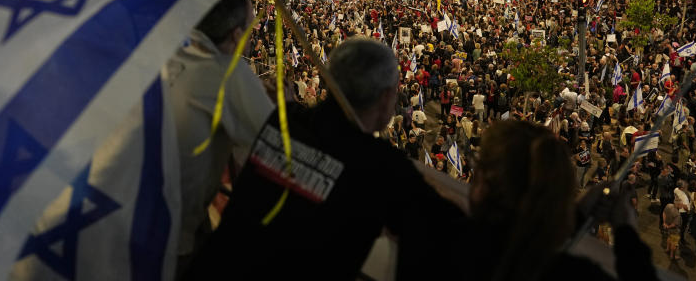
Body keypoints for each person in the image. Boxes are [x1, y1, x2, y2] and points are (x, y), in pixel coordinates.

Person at [185, 37, 465, 279]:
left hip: (210, 268)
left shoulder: (283, 119)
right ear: (385, 97)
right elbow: (456, 231)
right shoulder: (381, 167)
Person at [467, 120, 657, 280]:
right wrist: (626, 231)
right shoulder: (570, 273)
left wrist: (579, 214)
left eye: (479, 165)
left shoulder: (458, 242)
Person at [167, 0, 274, 268]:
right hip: (167, 240)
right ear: (237, 35)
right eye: (252, 24)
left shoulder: (168, 50)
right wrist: (286, 105)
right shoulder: (228, 73)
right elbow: (280, 145)